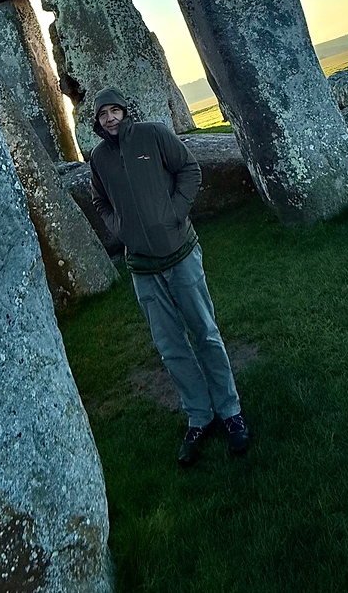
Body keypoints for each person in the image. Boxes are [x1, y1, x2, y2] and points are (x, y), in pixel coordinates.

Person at [89, 87, 249, 465]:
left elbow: (189, 168)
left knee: (206, 333)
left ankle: (230, 411)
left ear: (126, 112)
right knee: (171, 346)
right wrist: (121, 229)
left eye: (115, 110)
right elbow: (99, 200)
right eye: (103, 114)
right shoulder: (98, 158)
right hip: (142, 267)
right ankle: (199, 415)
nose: (110, 118)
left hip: (181, 253)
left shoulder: (154, 134)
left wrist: (175, 213)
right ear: (96, 121)